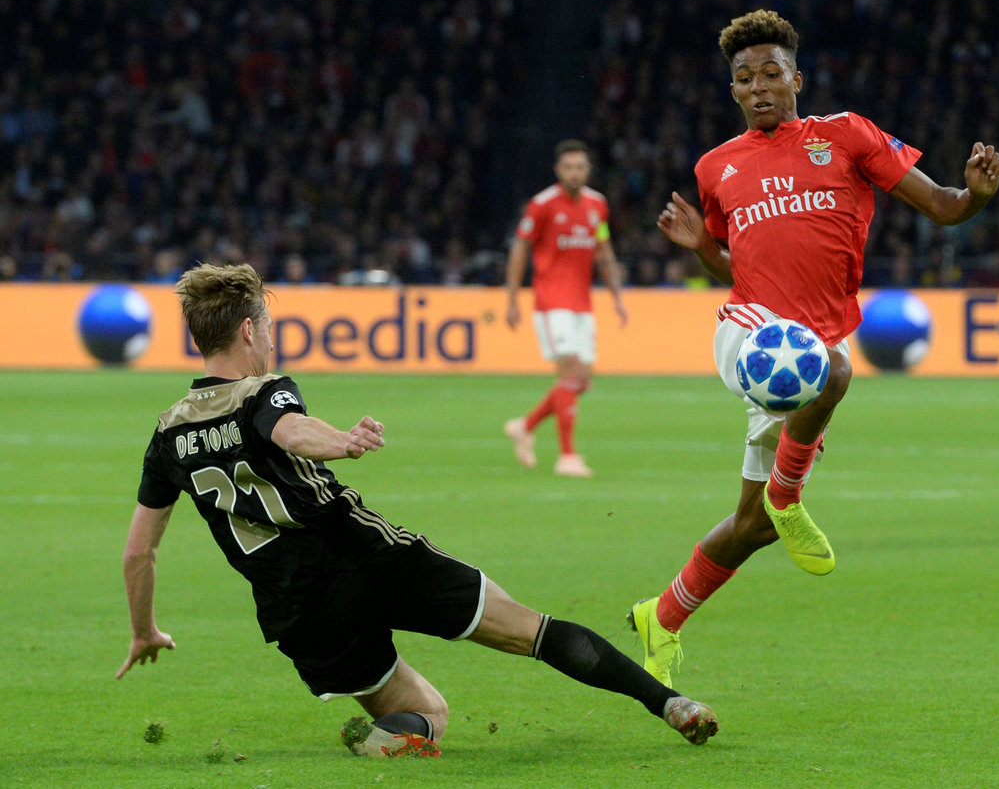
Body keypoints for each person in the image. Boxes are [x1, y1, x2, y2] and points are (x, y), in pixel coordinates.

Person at [116, 263, 718, 755]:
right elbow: (290, 429)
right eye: (269, 329)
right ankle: (670, 703)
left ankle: (377, 743)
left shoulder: (167, 434)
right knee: (531, 632)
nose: (271, 342)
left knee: (427, 714)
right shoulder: (264, 391)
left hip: (297, 613)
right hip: (366, 560)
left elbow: (139, 551)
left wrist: (145, 630)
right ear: (248, 331)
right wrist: (343, 442)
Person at [631, 9, 999, 687]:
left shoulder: (847, 135)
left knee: (751, 527)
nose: (759, 86)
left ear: (796, 79)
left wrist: (974, 196)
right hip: (750, 331)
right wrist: (702, 246)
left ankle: (663, 615)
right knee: (830, 368)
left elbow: (945, 207)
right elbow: (734, 269)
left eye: (771, 73)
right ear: (733, 90)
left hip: (811, 339)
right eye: (746, 78)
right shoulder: (716, 167)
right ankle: (789, 495)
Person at [503, 139, 628, 478]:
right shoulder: (542, 205)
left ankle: (524, 426)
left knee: (582, 380)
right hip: (551, 303)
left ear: (588, 170)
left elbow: (603, 249)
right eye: (568, 167)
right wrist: (512, 298)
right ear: (558, 170)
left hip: (582, 304)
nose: (574, 172)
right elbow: (520, 249)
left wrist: (617, 296)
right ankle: (567, 456)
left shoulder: (597, 205)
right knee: (570, 374)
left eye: (580, 167)